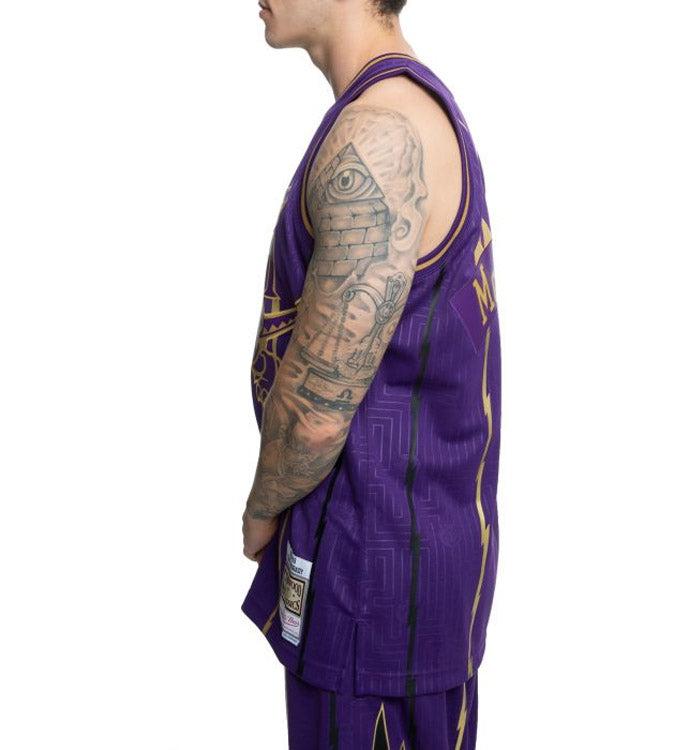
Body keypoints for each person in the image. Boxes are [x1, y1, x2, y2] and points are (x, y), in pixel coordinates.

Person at [241, 1, 501, 747]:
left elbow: (319, 408)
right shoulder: (408, 105)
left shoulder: (379, 135)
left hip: (370, 586)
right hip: (409, 569)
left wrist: (263, 507)